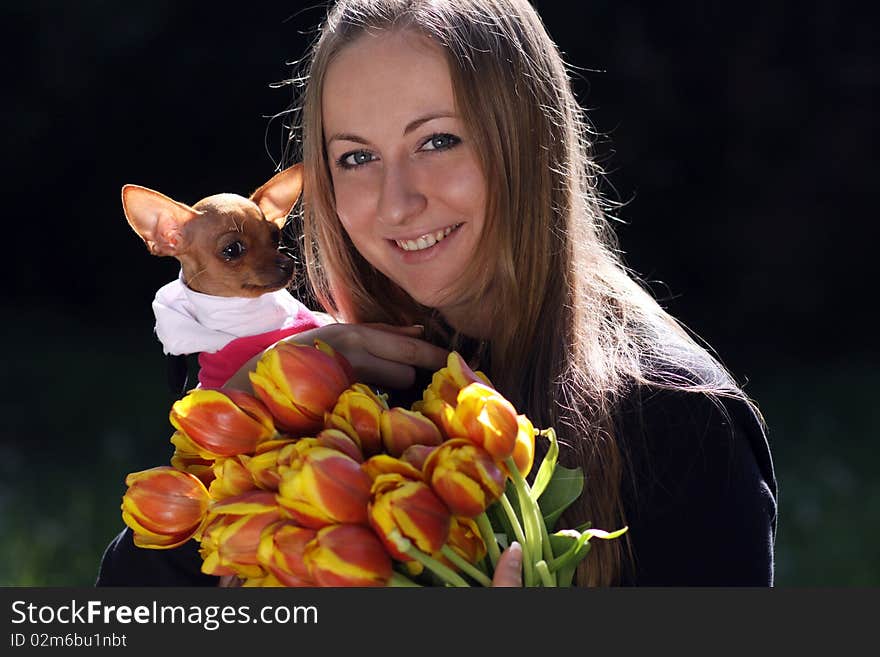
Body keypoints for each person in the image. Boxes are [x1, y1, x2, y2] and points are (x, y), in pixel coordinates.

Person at [97, 0, 777, 587]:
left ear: (526, 137)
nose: (397, 203)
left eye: (439, 140)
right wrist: (234, 427)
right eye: (357, 157)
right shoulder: (325, 383)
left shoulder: (679, 424)